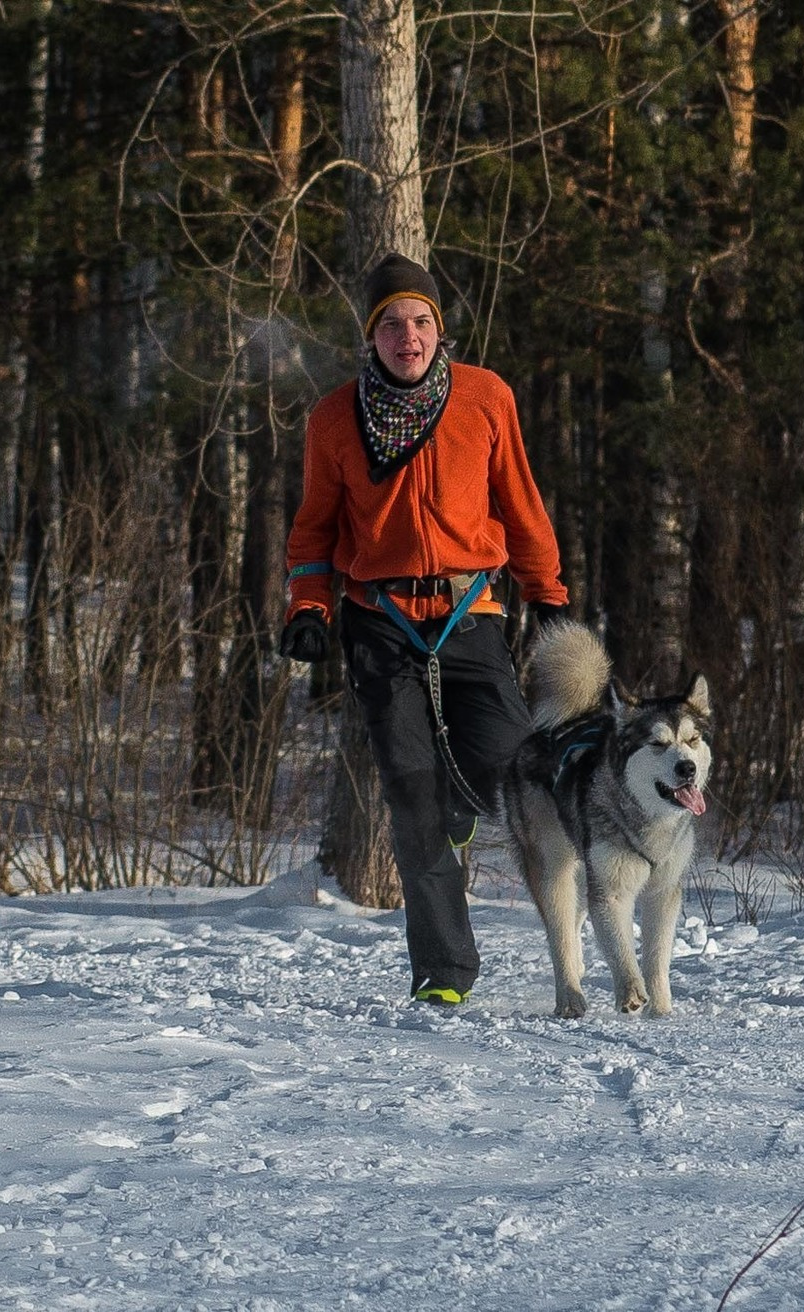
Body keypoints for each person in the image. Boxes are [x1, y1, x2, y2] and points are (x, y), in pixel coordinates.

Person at [279, 253, 570, 1006]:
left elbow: (523, 502)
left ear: (440, 331)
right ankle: (444, 972)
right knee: (410, 795)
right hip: (381, 620)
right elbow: (314, 531)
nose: (407, 336)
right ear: (370, 337)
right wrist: (307, 607)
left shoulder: (483, 398)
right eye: (391, 324)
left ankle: (461, 806)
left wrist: (548, 591)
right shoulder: (334, 419)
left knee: (507, 761)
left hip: (471, 610)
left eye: (420, 321)